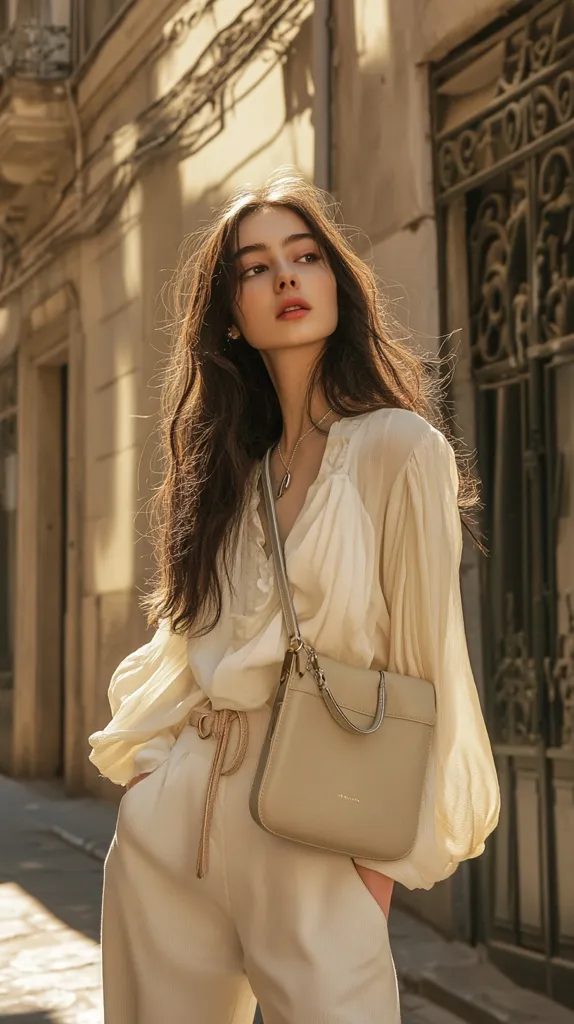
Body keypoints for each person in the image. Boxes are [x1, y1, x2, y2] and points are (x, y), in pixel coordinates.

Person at [89, 170, 500, 1024]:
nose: (284, 277)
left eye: (305, 256)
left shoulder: (399, 450)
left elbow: (425, 668)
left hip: (317, 825)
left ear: (336, 284)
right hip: (178, 833)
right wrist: (154, 788)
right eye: (254, 267)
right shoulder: (230, 477)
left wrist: (376, 869)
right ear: (229, 317)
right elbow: (182, 649)